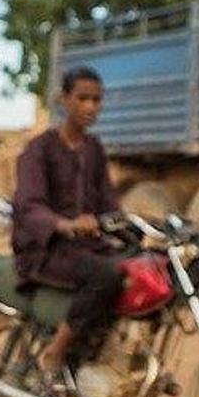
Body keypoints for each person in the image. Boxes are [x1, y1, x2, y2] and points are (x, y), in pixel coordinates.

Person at [11, 66, 124, 374]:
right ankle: (55, 350)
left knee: (138, 265)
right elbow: (29, 205)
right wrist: (65, 225)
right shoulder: (39, 149)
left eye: (97, 100)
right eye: (83, 98)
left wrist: (131, 225)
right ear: (64, 100)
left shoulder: (94, 149)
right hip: (45, 250)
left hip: (86, 247)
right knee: (106, 275)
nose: (91, 106)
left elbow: (109, 201)